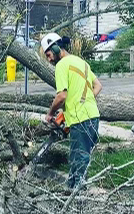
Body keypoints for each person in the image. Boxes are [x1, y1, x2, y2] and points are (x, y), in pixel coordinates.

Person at [42, 32, 103, 190]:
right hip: (93, 116)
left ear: (55, 48)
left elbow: (61, 96)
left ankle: (78, 194)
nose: (49, 59)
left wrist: (50, 114)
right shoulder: (81, 63)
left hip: (80, 118)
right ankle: (72, 189)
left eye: (48, 55)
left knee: (79, 157)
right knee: (79, 156)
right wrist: (85, 99)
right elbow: (98, 86)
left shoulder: (62, 65)